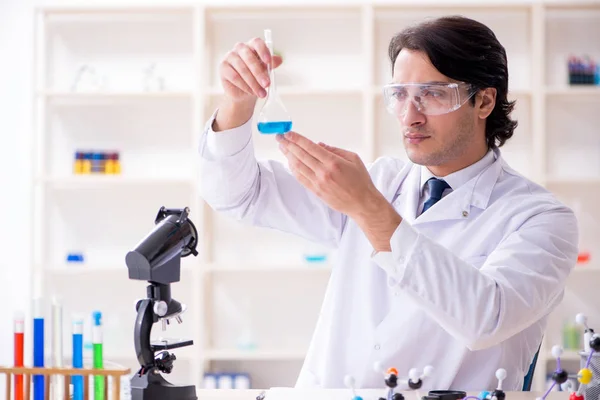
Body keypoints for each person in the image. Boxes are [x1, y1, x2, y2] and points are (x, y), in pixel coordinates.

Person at [197, 16, 578, 391]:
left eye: (432, 94)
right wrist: (237, 105)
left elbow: (487, 319)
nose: (410, 117)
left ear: (484, 101)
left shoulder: (541, 219)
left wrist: (367, 208)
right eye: (400, 95)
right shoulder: (378, 182)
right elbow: (239, 195)